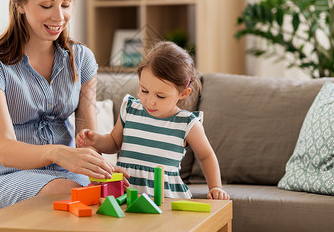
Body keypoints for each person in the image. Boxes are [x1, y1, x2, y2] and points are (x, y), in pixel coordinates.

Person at [0, 0, 121, 216]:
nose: (59, 16)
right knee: (69, 193)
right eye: (46, 5)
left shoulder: (82, 60)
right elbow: (5, 150)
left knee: (112, 191)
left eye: (66, 5)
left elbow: (85, 137)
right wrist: (58, 153)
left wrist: (100, 168)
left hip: (60, 173)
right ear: (20, 4)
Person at [76, 41, 230, 200]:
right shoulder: (131, 109)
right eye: (144, 91)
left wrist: (215, 187)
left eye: (160, 96)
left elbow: (206, 156)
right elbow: (114, 142)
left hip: (165, 198)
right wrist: (96, 140)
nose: (150, 101)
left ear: (183, 93)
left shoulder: (187, 124)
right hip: (125, 193)